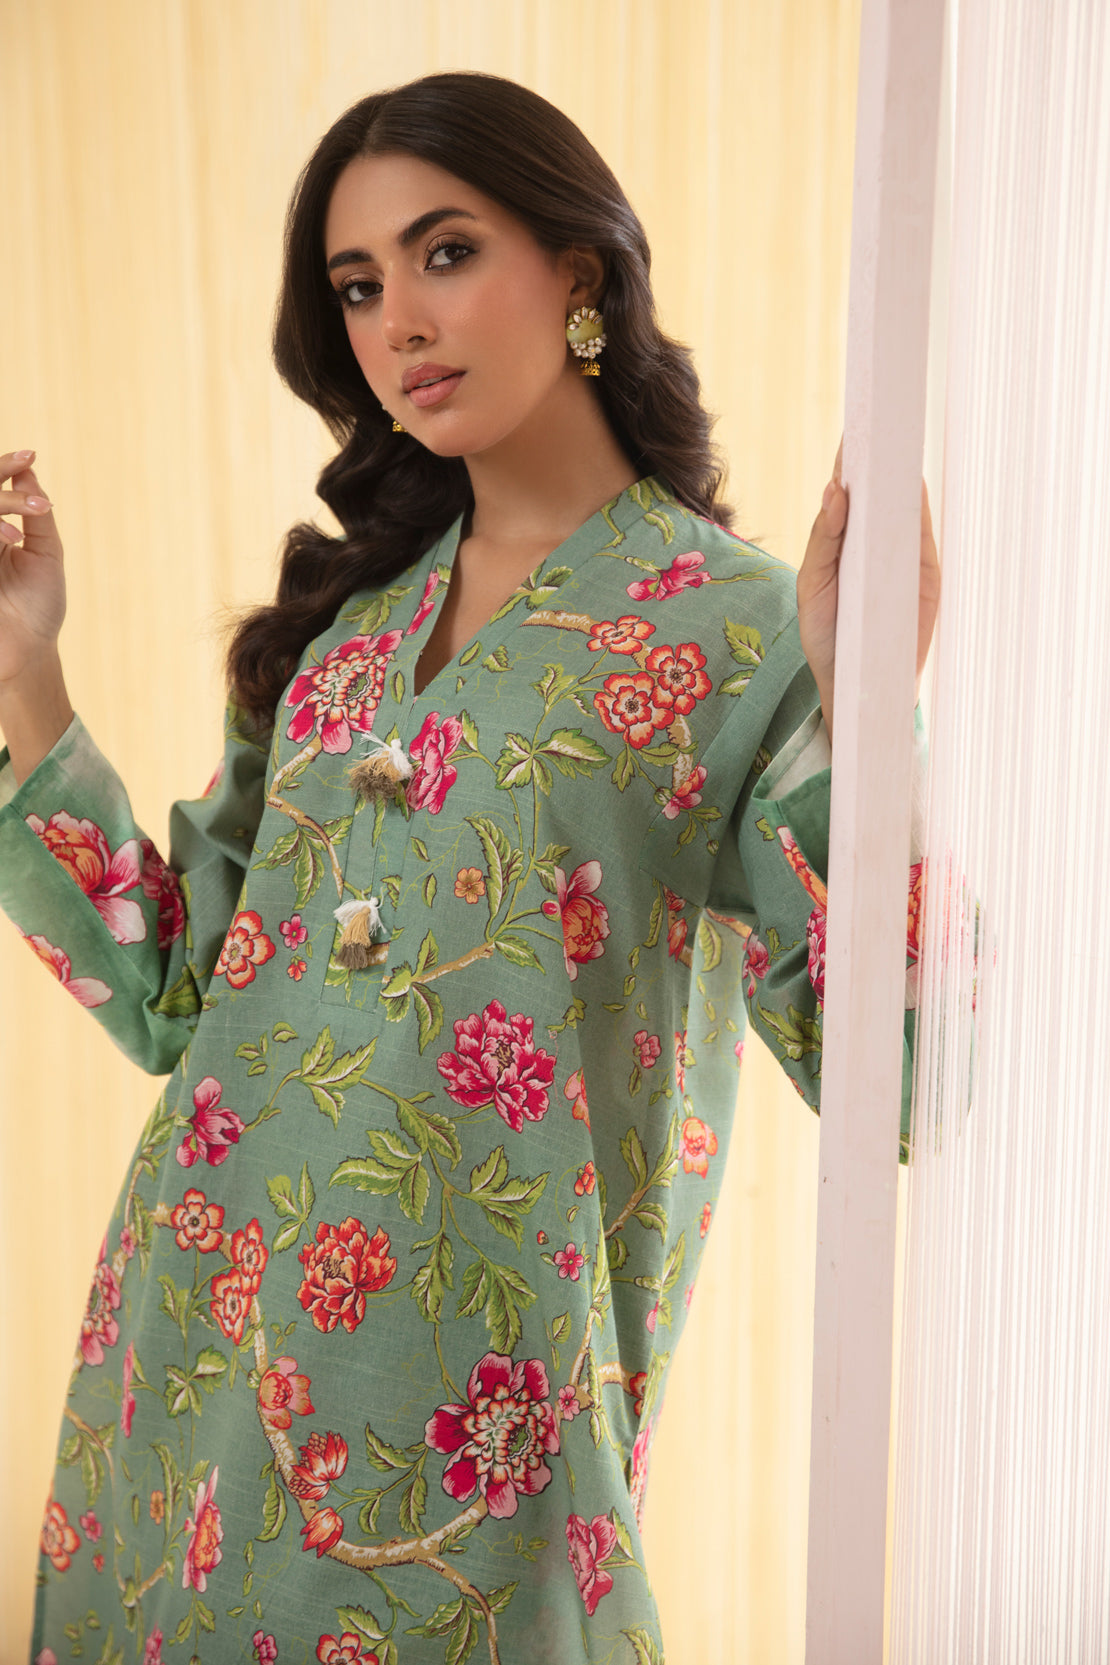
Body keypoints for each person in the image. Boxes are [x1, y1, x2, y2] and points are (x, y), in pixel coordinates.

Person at [0, 71, 937, 1665]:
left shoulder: (741, 635)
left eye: (444, 253)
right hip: (186, 1375)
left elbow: (889, 1069)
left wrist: (868, 710)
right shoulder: (339, 638)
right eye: (358, 287)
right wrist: (27, 675)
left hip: (476, 1424)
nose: (400, 323)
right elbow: (171, 994)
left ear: (577, 270)